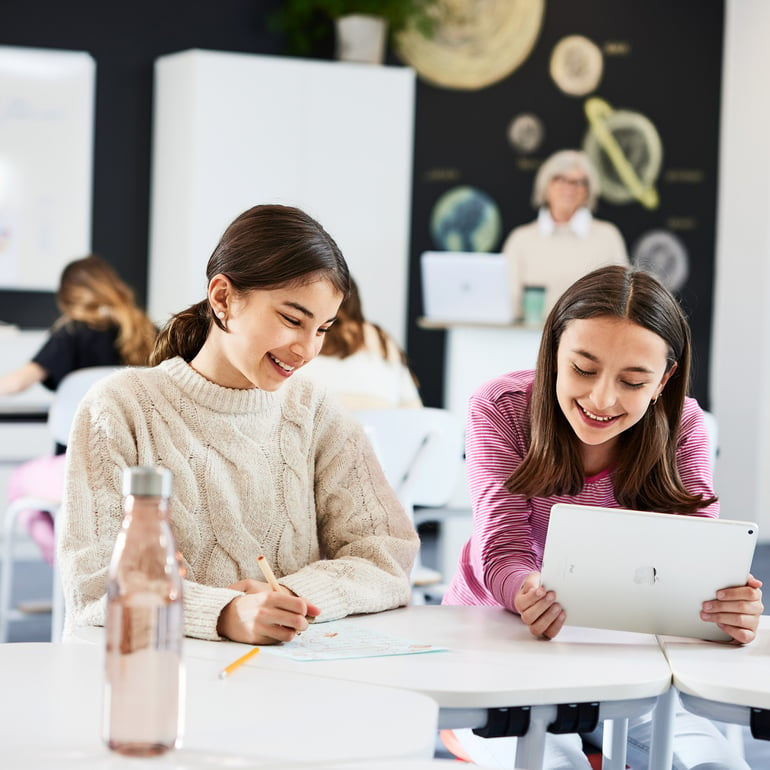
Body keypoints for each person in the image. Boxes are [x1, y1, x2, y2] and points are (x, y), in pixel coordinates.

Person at [442, 265, 763, 770]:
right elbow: (501, 547)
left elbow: (695, 562)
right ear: (552, 355)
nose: (601, 399)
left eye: (633, 381)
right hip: (500, 641)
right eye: (583, 369)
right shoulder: (501, 407)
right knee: (555, 762)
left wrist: (724, 609)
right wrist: (527, 591)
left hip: (628, 653)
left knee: (711, 765)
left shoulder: (685, 428)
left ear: (665, 379)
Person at [57, 203, 419, 644]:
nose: (307, 349)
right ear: (223, 298)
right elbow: (95, 590)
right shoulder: (119, 407)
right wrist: (225, 614)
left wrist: (285, 597)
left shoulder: (316, 411)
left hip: (286, 682)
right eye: (292, 319)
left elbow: (386, 556)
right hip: (154, 677)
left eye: (322, 328)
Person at [2, 255, 157, 565]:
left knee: (18, 482)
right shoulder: (148, 331)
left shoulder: (73, 332)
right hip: (139, 473)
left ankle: (64, 564)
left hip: (76, 470)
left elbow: (19, 382)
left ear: (70, 296)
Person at [503, 149, 629, 321]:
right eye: (560, 179)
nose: (569, 188)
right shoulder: (520, 239)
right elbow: (507, 302)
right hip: (532, 340)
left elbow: (623, 299)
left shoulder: (608, 237)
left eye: (579, 182)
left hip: (591, 340)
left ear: (588, 191)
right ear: (545, 185)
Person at [297, 275, 422, 410]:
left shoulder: (311, 330)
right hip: (382, 423)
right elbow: (413, 407)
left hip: (320, 418)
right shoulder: (380, 337)